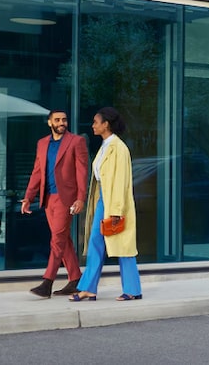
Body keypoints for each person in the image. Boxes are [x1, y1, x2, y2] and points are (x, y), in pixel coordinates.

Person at [70, 107, 141, 302]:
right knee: (95, 242)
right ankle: (88, 288)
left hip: (115, 202)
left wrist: (116, 211)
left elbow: (120, 180)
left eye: (95, 122)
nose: (92, 125)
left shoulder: (119, 148)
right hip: (103, 200)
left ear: (106, 124)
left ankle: (133, 290)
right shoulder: (105, 146)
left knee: (123, 247)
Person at [20, 109, 89, 298]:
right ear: (50, 122)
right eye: (57, 120)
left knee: (57, 240)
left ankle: (47, 282)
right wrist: (28, 197)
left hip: (66, 199)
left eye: (64, 120)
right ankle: (75, 279)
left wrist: (80, 198)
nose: (62, 122)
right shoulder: (42, 144)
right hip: (48, 198)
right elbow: (37, 172)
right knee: (63, 238)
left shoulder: (76, 141)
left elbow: (82, 172)